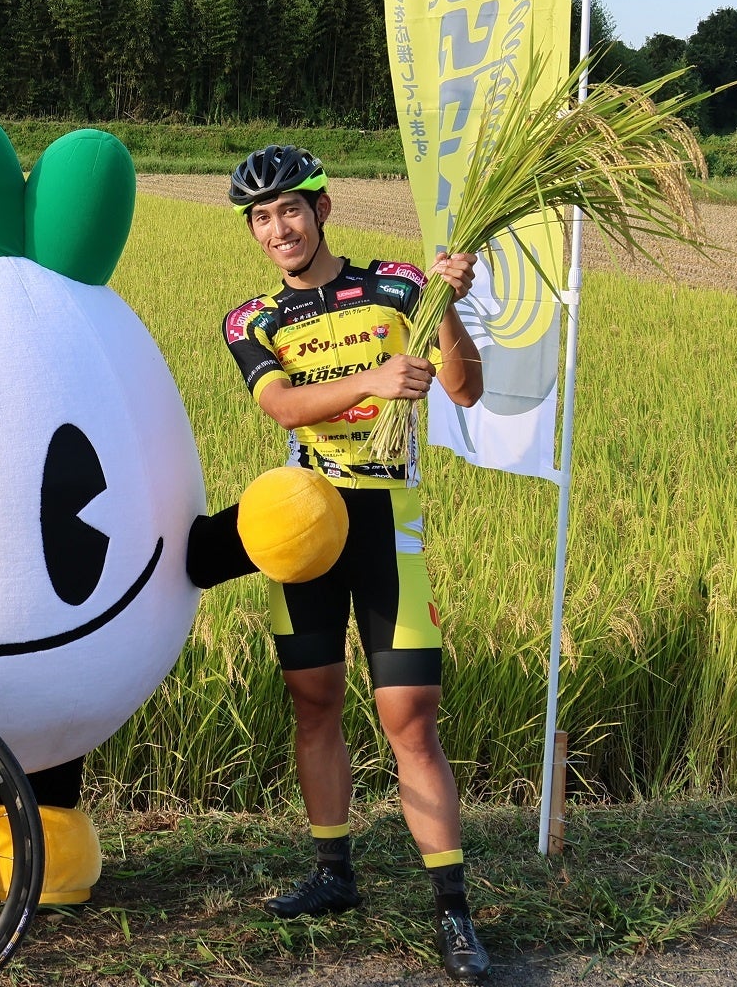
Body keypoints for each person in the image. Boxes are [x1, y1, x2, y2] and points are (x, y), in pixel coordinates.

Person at [185, 144, 492, 982]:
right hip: (306, 522)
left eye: (290, 209)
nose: (277, 228)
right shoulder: (253, 320)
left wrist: (445, 309)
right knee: (313, 701)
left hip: (388, 517)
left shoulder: (397, 286)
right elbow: (281, 403)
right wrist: (373, 378)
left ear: (322, 209)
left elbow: (463, 389)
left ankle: (454, 912)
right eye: (260, 217)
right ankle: (333, 874)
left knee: (411, 716)